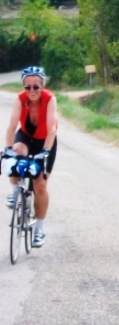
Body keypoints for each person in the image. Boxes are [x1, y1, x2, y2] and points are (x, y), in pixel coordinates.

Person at [4, 66, 58, 248]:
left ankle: (40, 230)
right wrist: (8, 149)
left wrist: (45, 152)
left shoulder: (50, 100)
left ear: (42, 86)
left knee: (40, 184)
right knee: (16, 155)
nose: (32, 91)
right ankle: (14, 192)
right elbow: (11, 127)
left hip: (45, 140)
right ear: (24, 87)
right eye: (28, 87)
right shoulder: (20, 99)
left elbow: (51, 130)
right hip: (26, 136)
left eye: (36, 87)